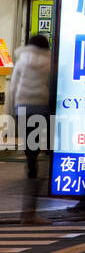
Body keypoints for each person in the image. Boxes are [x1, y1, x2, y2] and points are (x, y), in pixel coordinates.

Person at [5, 35, 52, 225]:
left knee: (31, 157)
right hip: (42, 110)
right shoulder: (49, 61)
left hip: (23, 109)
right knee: (48, 153)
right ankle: (30, 213)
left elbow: (14, 87)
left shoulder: (22, 60)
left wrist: (11, 115)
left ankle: (27, 213)